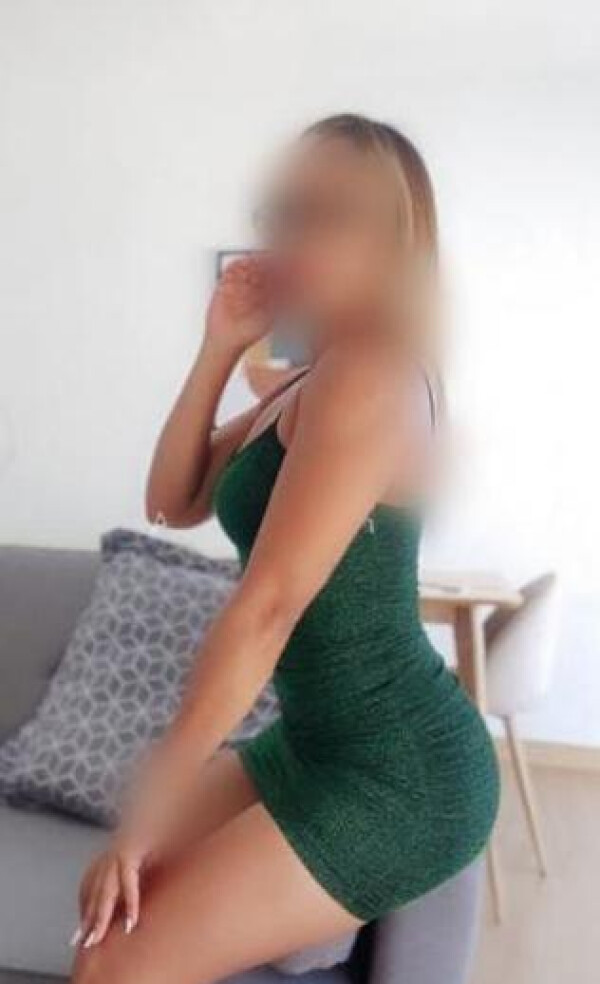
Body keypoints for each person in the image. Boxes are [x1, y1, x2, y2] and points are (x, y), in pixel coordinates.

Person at [71, 114, 499, 984]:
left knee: (116, 967)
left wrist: (154, 799)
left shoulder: (370, 374)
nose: (294, 237)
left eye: (329, 213)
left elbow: (267, 608)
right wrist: (219, 346)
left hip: (400, 773)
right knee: (102, 933)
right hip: (314, 742)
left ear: (392, 239)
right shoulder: (312, 375)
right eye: (285, 212)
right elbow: (173, 501)